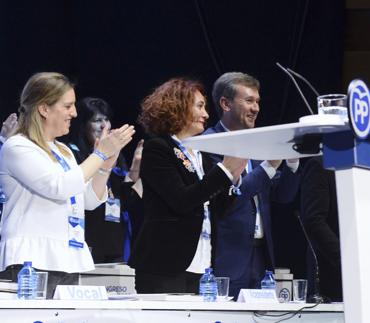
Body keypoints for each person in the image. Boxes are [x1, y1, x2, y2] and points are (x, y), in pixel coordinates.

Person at [0, 72, 134, 298]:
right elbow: (58, 186)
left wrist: (105, 165)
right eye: (68, 106)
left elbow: (88, 201)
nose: (74, 113)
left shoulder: (62, 151)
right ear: (44, 109)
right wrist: (100, 153)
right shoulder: (18, 147)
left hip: (68, 259)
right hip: (31, 262)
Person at [128, 77, 246, 293]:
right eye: (200, 106)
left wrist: (233, 178)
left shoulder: (202, 155)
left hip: (201, 261)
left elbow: (218, 208)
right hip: (164, 263)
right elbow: (181, 200)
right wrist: (223, 171)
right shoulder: (158, 148)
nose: (206, 115)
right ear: (178, 107)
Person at [204, 72, 300, 298]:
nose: (256, 108)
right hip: (226, 258)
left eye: (257, 101)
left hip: (261, 258)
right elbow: (233, 197)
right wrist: (270, 164)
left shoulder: (257, 142)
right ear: (226, 104)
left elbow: (282, 196)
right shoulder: (208, 143)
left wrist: (292, 162)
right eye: (248, 101)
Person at [63, 97, 143, 263]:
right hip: (84, 239)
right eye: (97, 120)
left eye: (106, 119)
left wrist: (135, 168)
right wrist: (98, 156)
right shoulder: (71, 154)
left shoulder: (115, 156)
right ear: (83, 125)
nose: (103, 126)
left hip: (114, 242)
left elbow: (125, 200)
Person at [300, 156, 342, 302]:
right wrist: (346, 258)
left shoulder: (369, 167)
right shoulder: (321, 165)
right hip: (333, 273)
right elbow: (314, 220)